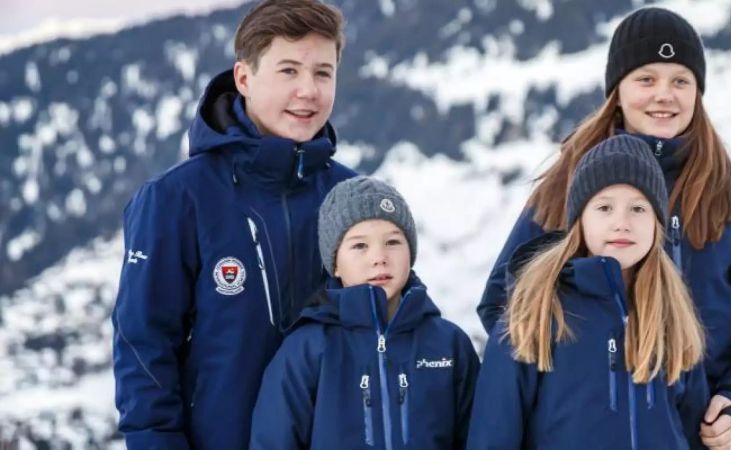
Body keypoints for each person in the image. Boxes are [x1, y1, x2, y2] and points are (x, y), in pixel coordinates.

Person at [476, 7, 731, 449]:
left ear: (698, 92)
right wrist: (562, 398)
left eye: (680, 81)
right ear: (617, 90)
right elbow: (503, 303)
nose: (663, 95)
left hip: (696, 433)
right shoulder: (567, 186)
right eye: (646, 79)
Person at [111, 1, 355, 448]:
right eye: (288, 71)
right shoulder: (177, 198)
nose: (308, 90)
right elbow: (143, 343)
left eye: (323, 73)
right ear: (244, 78)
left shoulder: (349, 197)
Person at [468, 135, 710, 449]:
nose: (622, 223)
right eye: (604, 207)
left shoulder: (673, 318)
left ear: (657, 224)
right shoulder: (534, 316)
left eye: (638, 209)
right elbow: (493, 436)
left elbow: (698, 435)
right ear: (579, 221)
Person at [250, 176, 480, 449]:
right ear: (334, 264)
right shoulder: (307, 348)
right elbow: (273, 441)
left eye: (393, 242)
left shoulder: (449, 345)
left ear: (411, 253)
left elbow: (477, 438)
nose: (379, 257)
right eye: (360, 246)